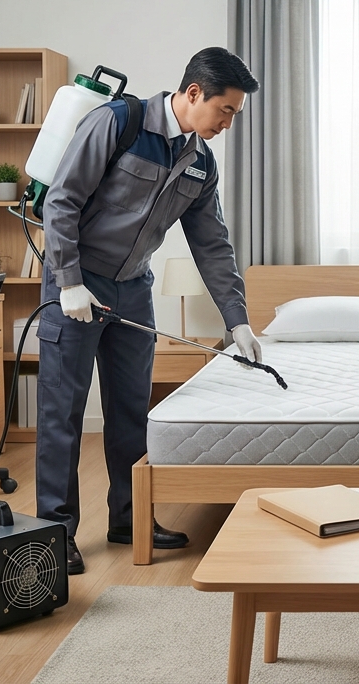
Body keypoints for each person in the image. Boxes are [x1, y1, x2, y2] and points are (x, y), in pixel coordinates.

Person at [37, 47, 263, 575]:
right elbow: (61, 201)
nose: (228, 124)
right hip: (76, 283)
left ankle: (129, 518)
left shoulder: (201, 163)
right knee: (62, 412)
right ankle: (54, 533)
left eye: (234, 114)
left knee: (131, 410)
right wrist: (69, 281)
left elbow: (212, 244)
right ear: (193, 93)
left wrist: (237, 320)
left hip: (133, 288)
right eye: (225, 111)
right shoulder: (118, 123)